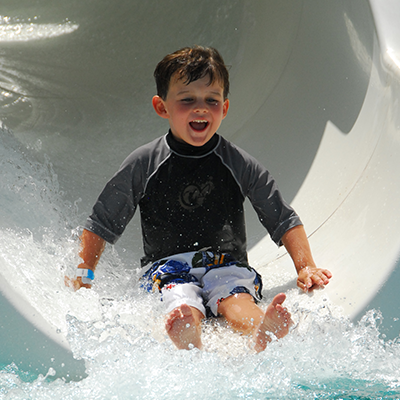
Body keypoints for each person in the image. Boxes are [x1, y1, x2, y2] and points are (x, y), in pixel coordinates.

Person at [65, 46, 332, 352]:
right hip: (167, 268)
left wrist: (305, 267)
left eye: (211, 100)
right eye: (187, 99)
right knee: (180, 300)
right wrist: (83, 276)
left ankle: (261, 329)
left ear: (225, 107)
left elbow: (282, 217)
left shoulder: (237, 162)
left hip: (225, 264)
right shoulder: (145, 163)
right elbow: (102, 222)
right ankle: (187, 332)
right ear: (161, 106)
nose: (201, 108)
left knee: (237, 298)